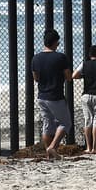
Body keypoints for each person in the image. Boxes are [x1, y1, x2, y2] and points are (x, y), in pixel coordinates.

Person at [31, 28, 73, 158]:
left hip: (41, 96)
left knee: (47, 124)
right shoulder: (60, 57)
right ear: (55, 42)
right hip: (55, 96)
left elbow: (36, 78)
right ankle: (52, 147)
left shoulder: (36, 58)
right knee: (65, 123)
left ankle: (49, 154)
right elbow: (68, 77)